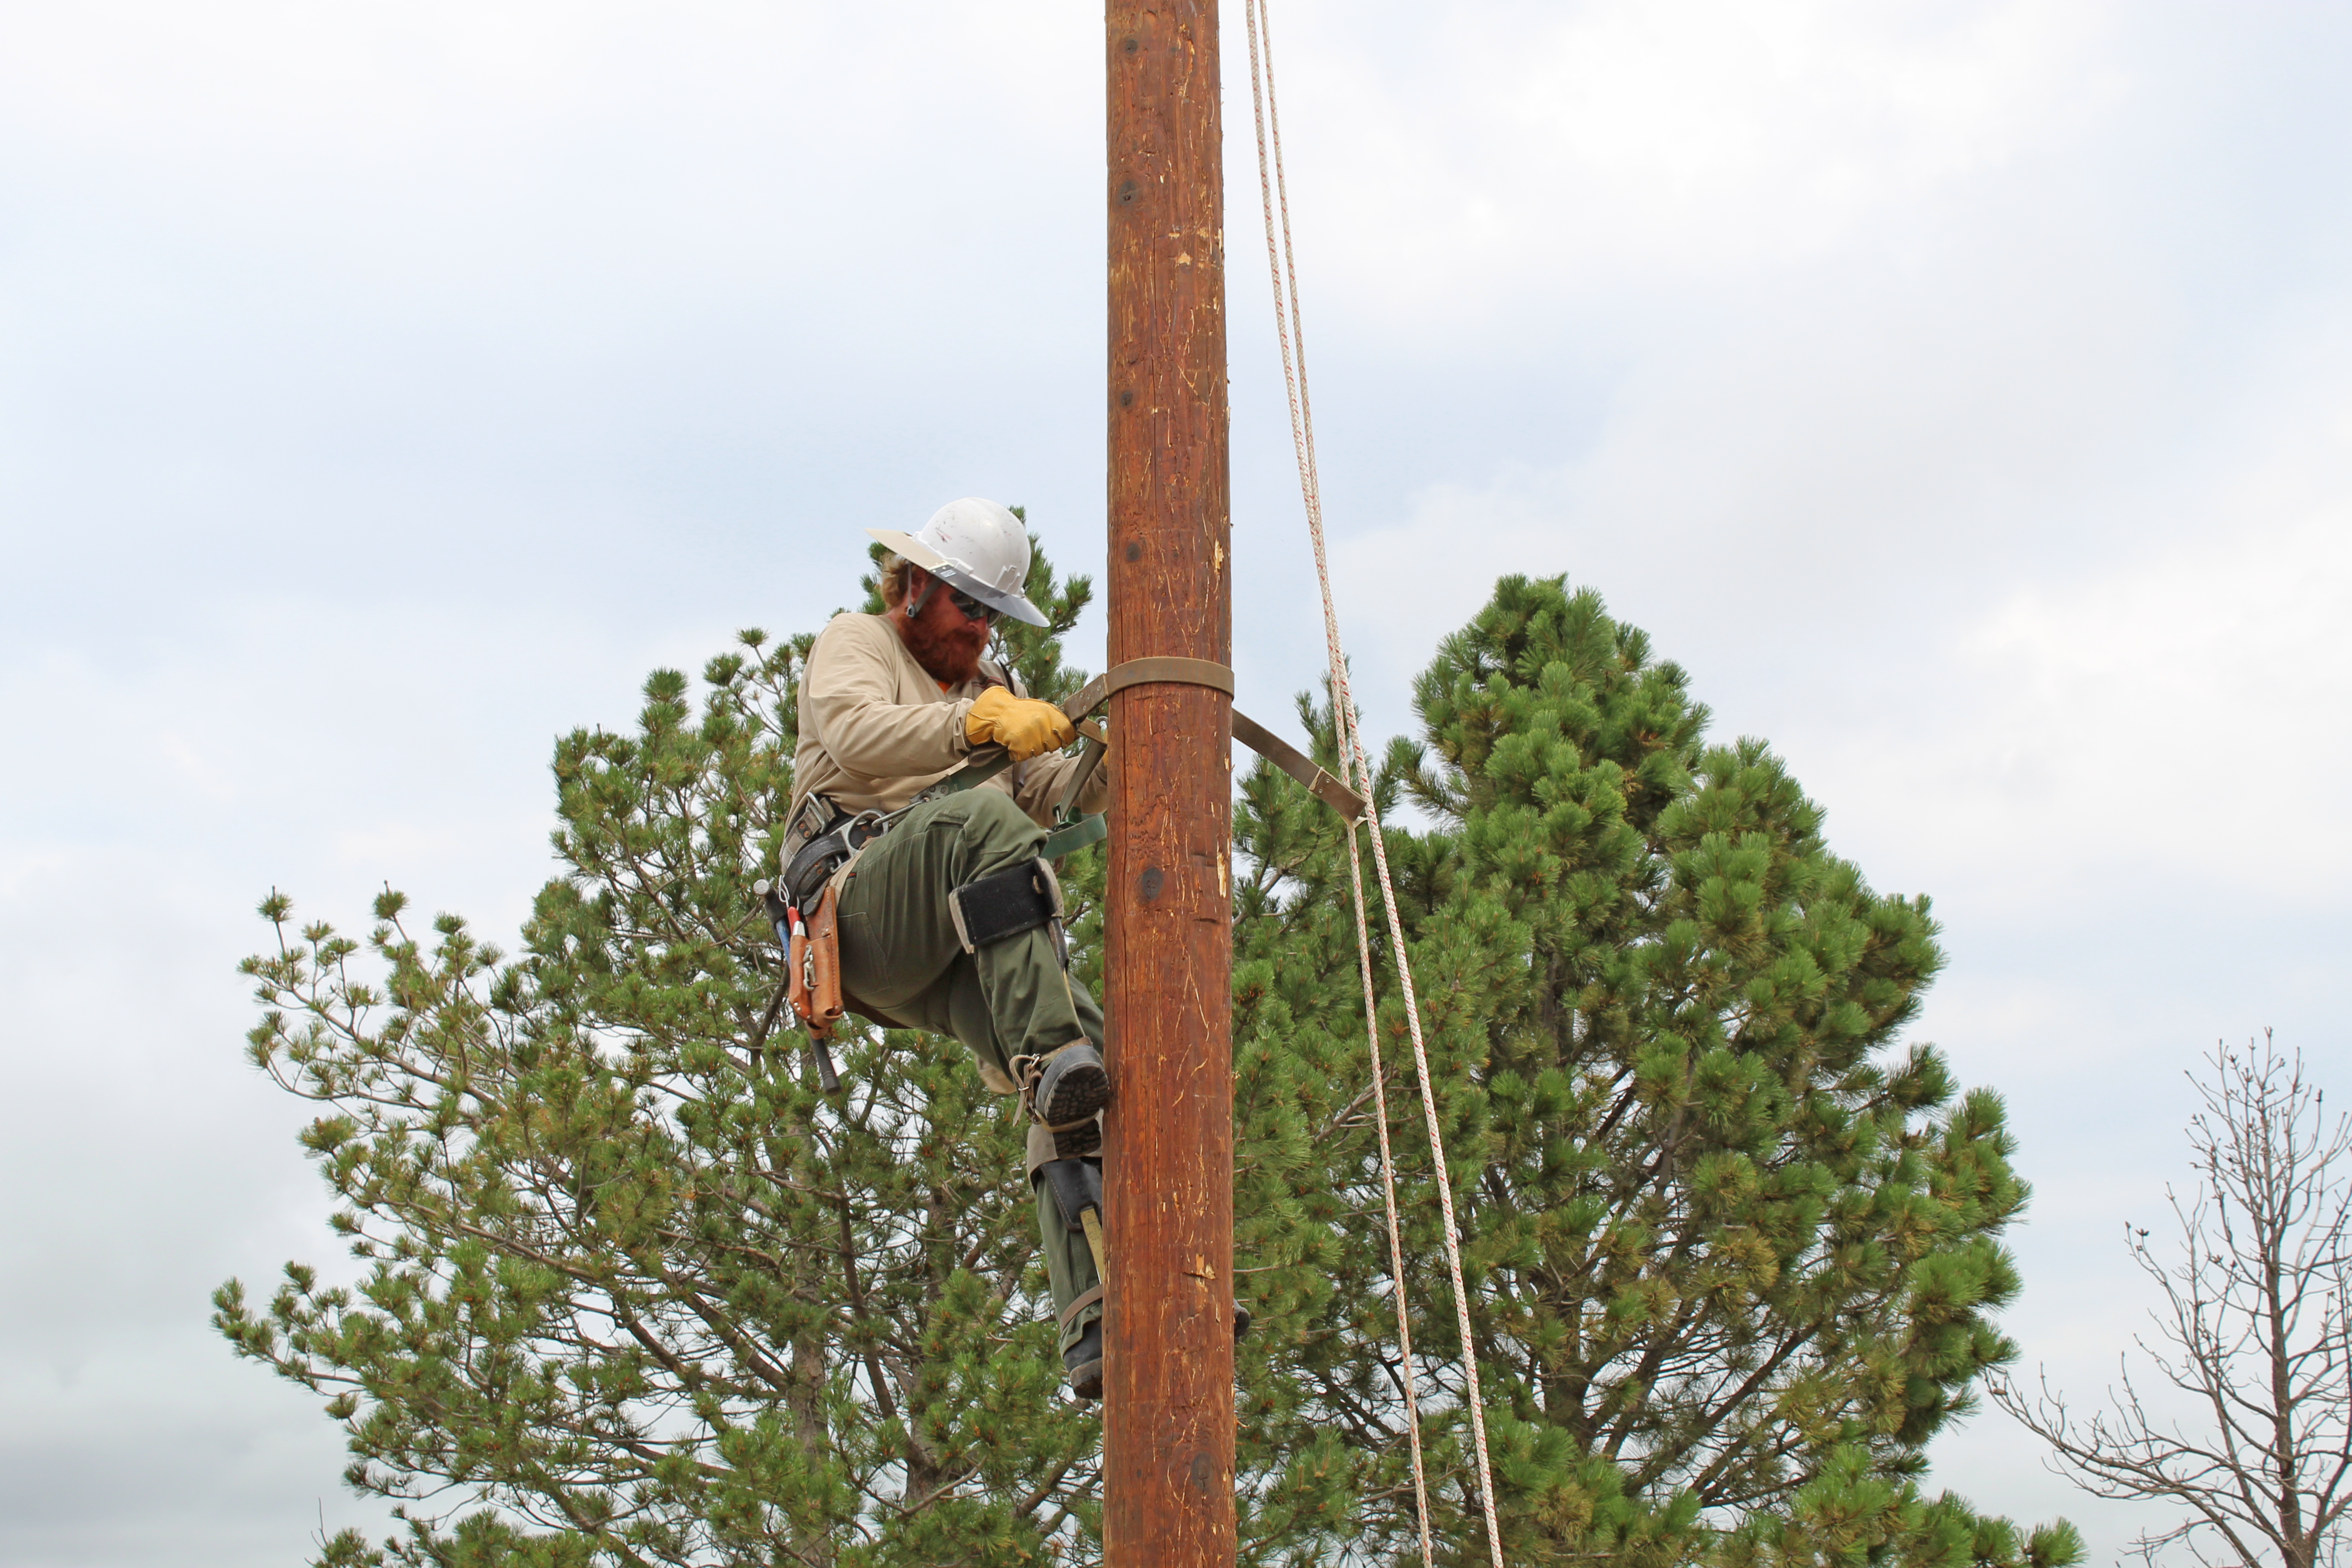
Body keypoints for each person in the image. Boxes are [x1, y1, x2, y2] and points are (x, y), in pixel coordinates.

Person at [782, 497, 1116, 1398]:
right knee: (980, 817)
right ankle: (1051, 1056)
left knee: (1100, 1060)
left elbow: (1050, 796)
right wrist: (977, 728)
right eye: (968, 608)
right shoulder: (858, 642)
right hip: (856, 908)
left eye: (991, 616)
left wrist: (1114, 754)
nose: (978, 630)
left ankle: (1102, 1311)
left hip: (947, 941)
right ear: (917, 586)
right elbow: (855, 731)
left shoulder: (985, 692)